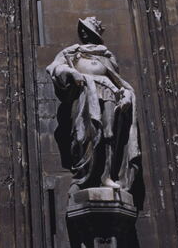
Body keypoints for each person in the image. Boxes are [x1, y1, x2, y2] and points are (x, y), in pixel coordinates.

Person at [46, 17, 140, 194]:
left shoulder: (106, 56)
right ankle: (83, 177)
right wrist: (71, 72)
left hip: (108, 92)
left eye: (86, 29)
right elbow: (54, 68)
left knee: (110, 133)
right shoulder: (73, 52)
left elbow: (119, 82)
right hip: (84, 93)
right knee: (84, 135)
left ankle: (107, 176)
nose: (83, 32)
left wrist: (126, 95)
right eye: (81, 29)